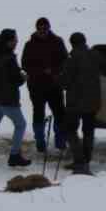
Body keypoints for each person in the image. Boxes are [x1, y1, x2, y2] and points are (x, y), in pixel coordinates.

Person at [59, 31, 106, 176]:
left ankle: (79, 161)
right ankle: (86, 160)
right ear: (85, 41)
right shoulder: (95, 55)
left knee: (70, 130)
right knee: (88, 131)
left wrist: (57, 79)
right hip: (93, 102)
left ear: (72, 43)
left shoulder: (72, 59)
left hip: (75, 103)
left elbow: (64, 82)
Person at [0, 29, 32, 168]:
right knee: (20, 125)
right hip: (7, 98)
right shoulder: (9, 58)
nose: (17, 42)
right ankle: (15, 155)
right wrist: (23, 77)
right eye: (15, 39)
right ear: (9, 42)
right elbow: (15, 80)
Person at [21, 18, 69, 154]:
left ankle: (60, 142)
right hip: (36, 85)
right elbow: (24, 64)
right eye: (40, 29)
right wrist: (40, 71)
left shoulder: (58, 42)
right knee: (38, 113)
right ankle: (40, 142)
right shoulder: (29, 44)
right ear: (36, 29)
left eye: (45, 29)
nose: (42, 31)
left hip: (54, 84)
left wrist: (53, 70)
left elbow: (65, 61)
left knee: (59, 113)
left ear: (49, 28)